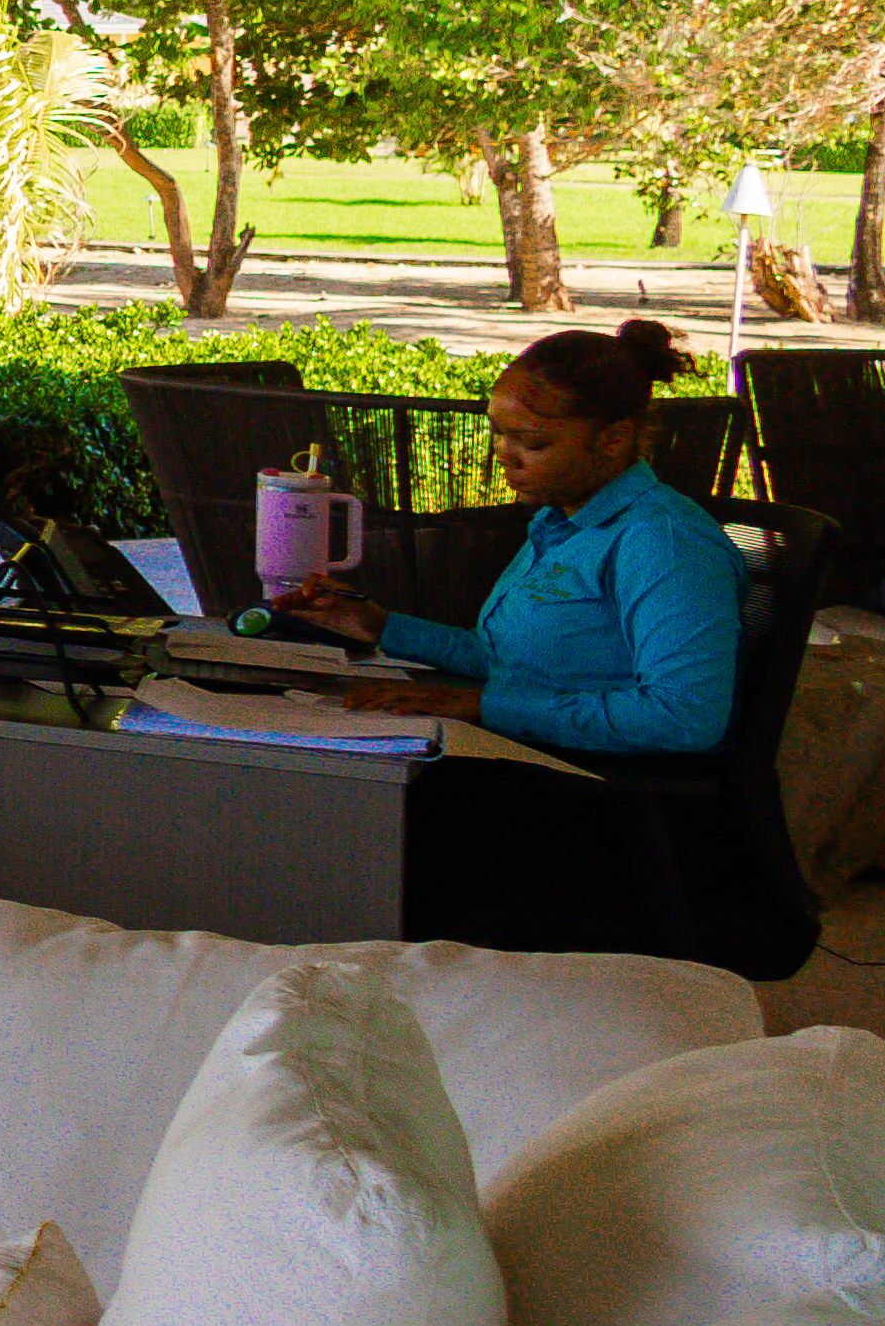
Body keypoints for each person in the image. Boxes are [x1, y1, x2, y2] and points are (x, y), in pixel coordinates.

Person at [276, 319, 802, 962]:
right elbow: (514, 662)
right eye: (498, 433)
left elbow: (685, 717)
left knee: (364, 807)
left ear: (612, 440)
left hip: (598, 799)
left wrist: (477, 706)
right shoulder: (562, 520)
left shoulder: (661, 542)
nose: (505, 454)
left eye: (532, 440)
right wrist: (382, 628)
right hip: (543, 761)